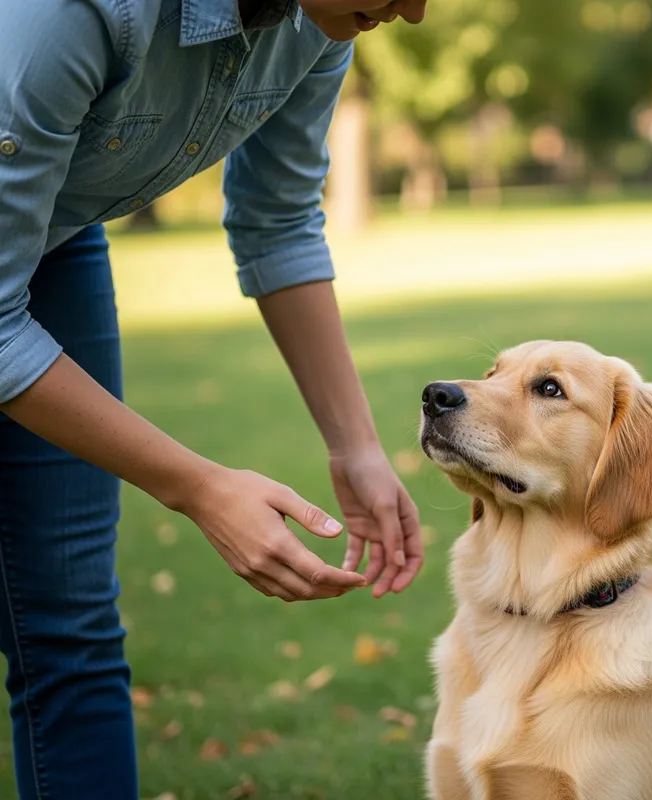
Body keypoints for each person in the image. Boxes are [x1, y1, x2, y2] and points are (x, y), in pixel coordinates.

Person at [0, 1, 427, 796]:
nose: (415, 11)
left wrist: (357, 446)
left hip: (50, 239)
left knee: (72, 624)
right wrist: (198, 487)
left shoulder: (324, 17)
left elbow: (278, 220)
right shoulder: (78, 10)